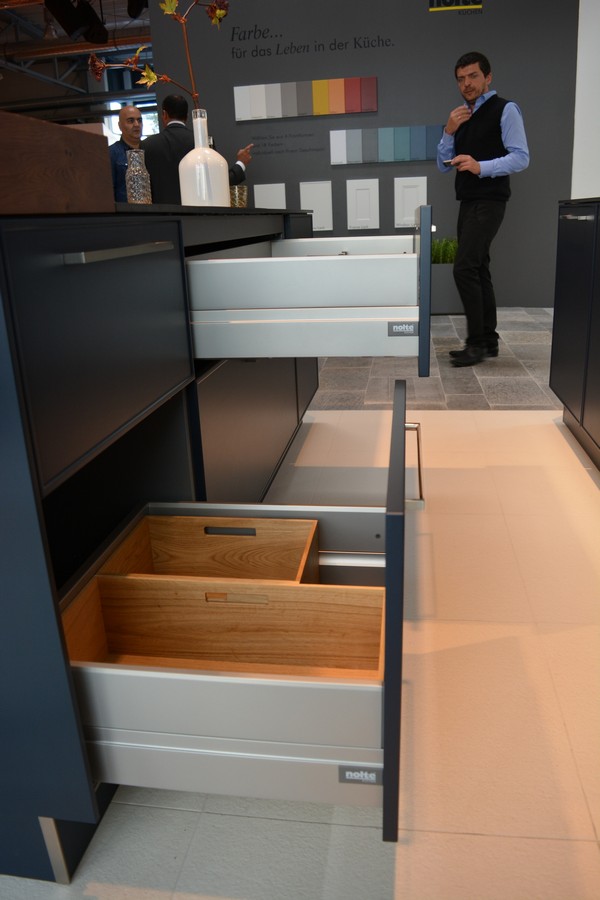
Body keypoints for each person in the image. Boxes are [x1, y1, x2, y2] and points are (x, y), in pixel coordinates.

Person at [437, 51, 530, 367]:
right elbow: (442, 165)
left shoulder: (506, 109)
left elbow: (521, 157)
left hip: (490, 200)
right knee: (478, 268)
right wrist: (449, 131)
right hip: (467, 201)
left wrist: (481, 166)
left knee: (464, 267)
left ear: (487, 77)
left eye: (473, 76)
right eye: (461, 79)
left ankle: (476, 344)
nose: (466, 83)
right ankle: (488, 341)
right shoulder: (461, 116)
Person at [143, 94, 253, 204]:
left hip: (161, 213)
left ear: (164, 114)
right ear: (187, 116)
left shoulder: (147, 145)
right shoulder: (203, 142)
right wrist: (241, 163)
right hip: (197, 211)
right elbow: (219, 181)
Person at [109, 105, 143, 202]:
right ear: (120, 126)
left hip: (151, 208)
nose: (136, 124)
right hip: (125, 210)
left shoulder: (150, 150)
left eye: (139, 120)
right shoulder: (112, 153)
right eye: (130, 121)